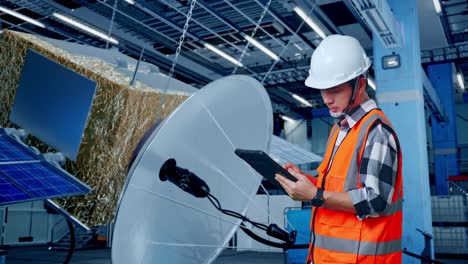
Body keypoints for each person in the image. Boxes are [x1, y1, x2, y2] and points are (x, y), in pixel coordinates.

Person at [275, 34, 403, 264]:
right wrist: (304, 180)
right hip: (327, 257)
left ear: (360, 84)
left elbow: (376, 201)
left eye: (333, 90)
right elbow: (336, 187)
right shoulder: (340, 129)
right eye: (322, 91)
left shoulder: (376, 131)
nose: (326, 99)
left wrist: (314, 195)